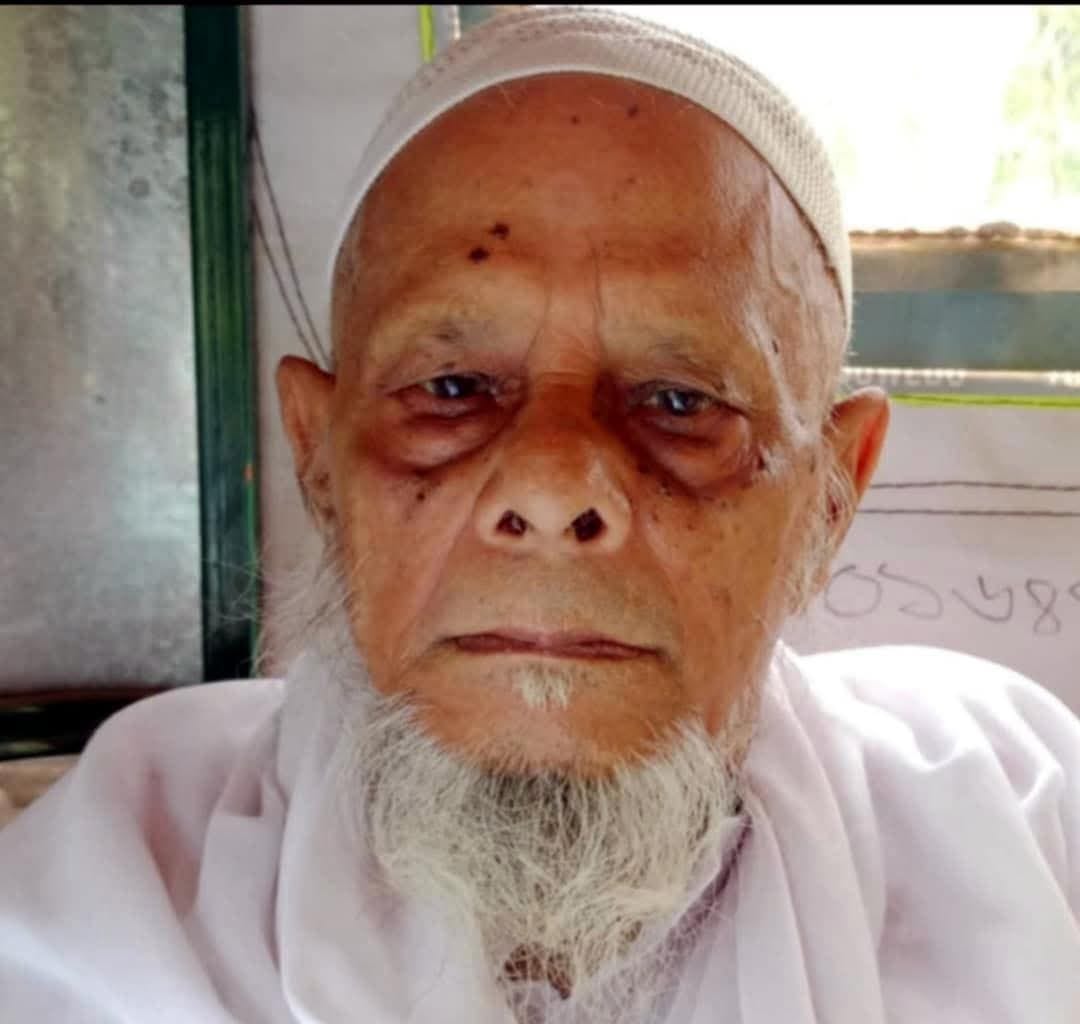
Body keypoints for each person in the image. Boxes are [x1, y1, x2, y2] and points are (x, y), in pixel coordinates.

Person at [2, 8, 1078, 1023]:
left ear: (832, 495)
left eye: (679, 403)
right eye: (453, 388)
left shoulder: (1019, 830)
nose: (555, 489)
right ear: (317, 459)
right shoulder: (102, 905)